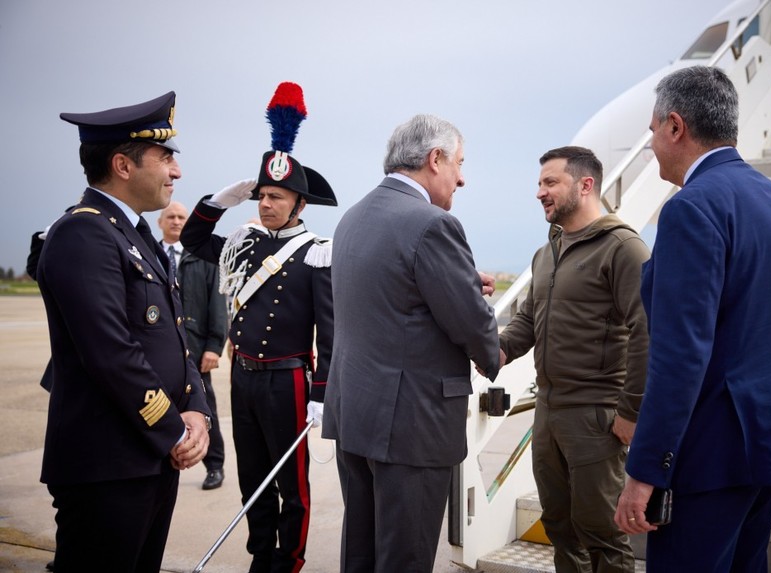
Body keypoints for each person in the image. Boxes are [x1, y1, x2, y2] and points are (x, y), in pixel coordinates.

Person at [614, 66, 771, 571]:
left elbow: (681, 356)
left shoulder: (692, 208)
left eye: (654, 131)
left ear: (676, 127)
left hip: (713, 453)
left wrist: (646, 470)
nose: (651, 145)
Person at [37, 91, 212, 573]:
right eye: (166, 157)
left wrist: (196, 409)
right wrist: (174, 426)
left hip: (148, 458)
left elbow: (175, 336)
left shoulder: (135, 235)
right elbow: (112, 353)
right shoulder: (83, 233)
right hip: (107, 466)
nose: (176, 172)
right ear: (123, 165)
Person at [322, 113, 501, 573]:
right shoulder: (431, 224)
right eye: (459, 163)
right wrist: (491, 350)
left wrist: (459, 283)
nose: (462, 177)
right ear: (434, 158)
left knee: (361, 552)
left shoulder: (354, 217)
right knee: (405, 558)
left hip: (357, 416)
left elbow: (393, 299)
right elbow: (471, 326)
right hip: (411, 426)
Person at [181, 81, 336, 573]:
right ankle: (259, 556)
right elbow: (194, 241)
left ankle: (288, 562)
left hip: (288, 379)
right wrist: (218, 202)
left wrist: (322, 391)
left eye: (277, 197)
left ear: (299, 204)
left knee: (292, 482)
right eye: (262, 195)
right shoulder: (243, 242)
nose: (266, 204)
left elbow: (331, 332)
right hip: (243, 375)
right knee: (253, 478)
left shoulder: (317, 253)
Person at [498, 146, 650, 572]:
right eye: (540, 183)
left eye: (550, 182)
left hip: (596, 416)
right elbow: (527, 319)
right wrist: (496, 350)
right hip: (549, 412)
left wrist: (631, 411)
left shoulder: (624, 248)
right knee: (560, 526)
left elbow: (647, 332)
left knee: (602, 533)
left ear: (585, 186)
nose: (539, 192)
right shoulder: (548, 251)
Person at [157, 201, 229, 490]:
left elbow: (218, 303)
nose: (176, 221)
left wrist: (214, 345)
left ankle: (214, 465)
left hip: (196, 350)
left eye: (181, 217)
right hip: (158, 350)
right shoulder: (148, 252)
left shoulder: (203, 257)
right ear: (160, 222)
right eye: (170, 216)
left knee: (204, 408)